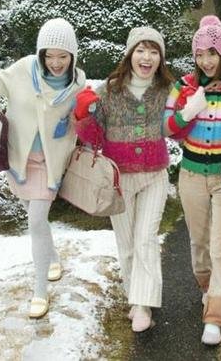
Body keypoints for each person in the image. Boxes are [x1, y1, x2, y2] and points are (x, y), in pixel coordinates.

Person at [0, 18, 87, 318]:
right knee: (37, 222)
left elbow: (82, 120)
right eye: (49, 55)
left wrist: (81, 118)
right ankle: (54, 258)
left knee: (35, 222)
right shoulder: (24, 70)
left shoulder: (77, 85)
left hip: (49, 164)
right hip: (18, 160)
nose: (56, 63)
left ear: (72, 56)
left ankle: (40, 291)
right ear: (40, 53)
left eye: (63, 56)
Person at [74, 27, 173, 333]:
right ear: (130, 54)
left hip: (154, 175)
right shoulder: (108, 91)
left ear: (160, 58)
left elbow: (178, 125)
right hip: (119, 179)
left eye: (154, 51)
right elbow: (92, 137)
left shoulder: (166, 89)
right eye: (141, 50)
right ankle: (135, 297)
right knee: (127, 243)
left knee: (146, 238)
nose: (147, 57)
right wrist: (83, 115)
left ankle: (143, 304)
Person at [163, 15, 221, 345]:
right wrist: (190, 108)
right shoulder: (183, 86)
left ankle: (215, 315)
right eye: (200, 54)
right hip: (191, 176)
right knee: (199, 243)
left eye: (212, 53)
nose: (206, 61)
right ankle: (207, 286)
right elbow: (167, 127)